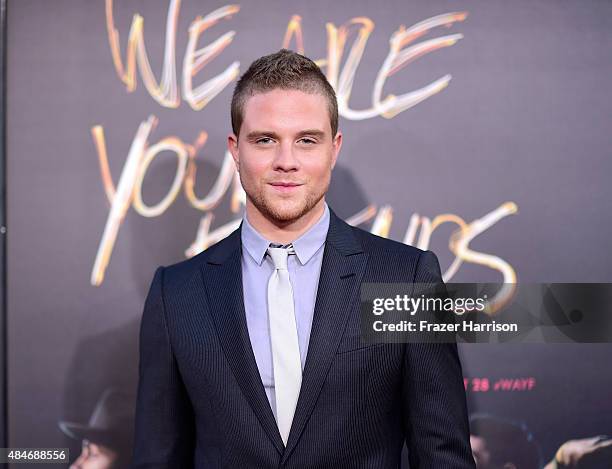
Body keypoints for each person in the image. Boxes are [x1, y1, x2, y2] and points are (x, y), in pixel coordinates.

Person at [131, 49, 475, 468]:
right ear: (236, 150)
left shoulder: (408, 279)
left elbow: (443, 456)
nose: (286, 162)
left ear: (334, 148)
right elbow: (157, 457)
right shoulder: (176, 294)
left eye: (307, 140)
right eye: (265, 140)